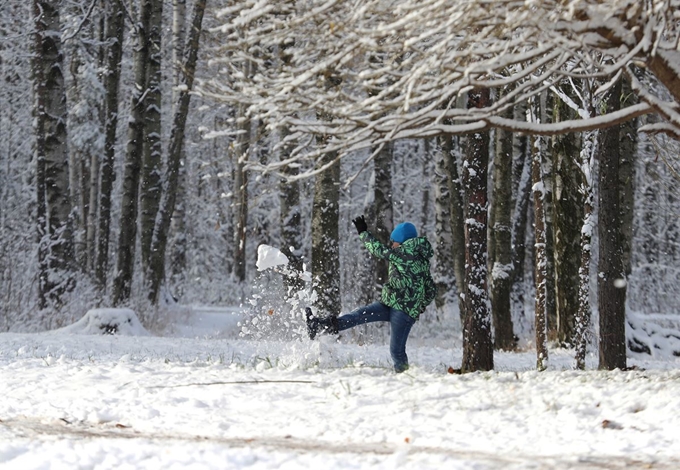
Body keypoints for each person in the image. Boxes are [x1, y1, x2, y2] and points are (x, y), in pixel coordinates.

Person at [306, 215, 436, 373]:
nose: (392, 244)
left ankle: (404, 376)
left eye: (394, 241)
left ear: (402, 241)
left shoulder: (406, 254)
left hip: (404, 311)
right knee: (359, 315)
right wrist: (420, 304)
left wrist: (363, 232)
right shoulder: (419, 258)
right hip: (391, 303)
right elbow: (430, 289)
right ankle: (320, 325)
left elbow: (379, 250)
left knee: (396, 350)